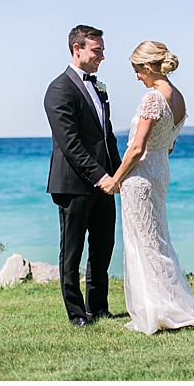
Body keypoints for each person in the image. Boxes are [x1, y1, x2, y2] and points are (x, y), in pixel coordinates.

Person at [109, 41, 194, 335]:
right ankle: (167, 302)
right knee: (157, 238)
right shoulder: (179, 98)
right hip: (161, 170)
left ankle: (157, 308)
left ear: (148, 66)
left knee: (144, 241)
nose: (137, 77)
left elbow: (137, 148)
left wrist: (116, 179)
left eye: (137, 70)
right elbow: (169, 144)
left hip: (141, 175)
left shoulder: (152, 98)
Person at [44, 25, 122, 327]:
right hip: (73, 184)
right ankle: (77, 314)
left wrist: (119, 173)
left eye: (102, 50)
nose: (102, 56)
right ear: (77, 49)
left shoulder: (99, 88)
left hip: (105, 183)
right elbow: (70, 143)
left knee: (103, 248)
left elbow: (107, 136)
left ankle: (98, 308)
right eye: (96, 50)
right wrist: (100, 176)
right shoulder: (59, 89)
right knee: (72, 252)